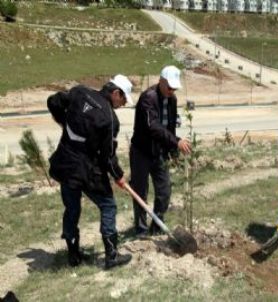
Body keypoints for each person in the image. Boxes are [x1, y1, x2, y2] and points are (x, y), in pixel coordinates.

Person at [47, 75, 133, 269]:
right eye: (124, 99)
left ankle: (73, 255)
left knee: (72, 209)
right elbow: (107, 157)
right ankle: (111, 255)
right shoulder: (110, 119)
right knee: (108, 206)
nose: (123, 103)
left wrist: (64, 122)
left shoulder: (79, 92)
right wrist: (118, 175)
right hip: (86, 169)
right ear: (116, 93)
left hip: (65, 163)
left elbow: (53, 101)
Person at [130, 65, 191, 238]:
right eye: (169, 87)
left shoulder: (172, 100)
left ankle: (157, 224)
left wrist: (173, 150)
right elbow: (153, 127)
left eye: (174, 88)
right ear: (161, 81)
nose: (172, 91)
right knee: (140, 192)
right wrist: (176, 142)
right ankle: (141, 230)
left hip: (159, 153)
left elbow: (169, 127)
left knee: (164, 191)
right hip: (141, 152)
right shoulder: (147, 98)